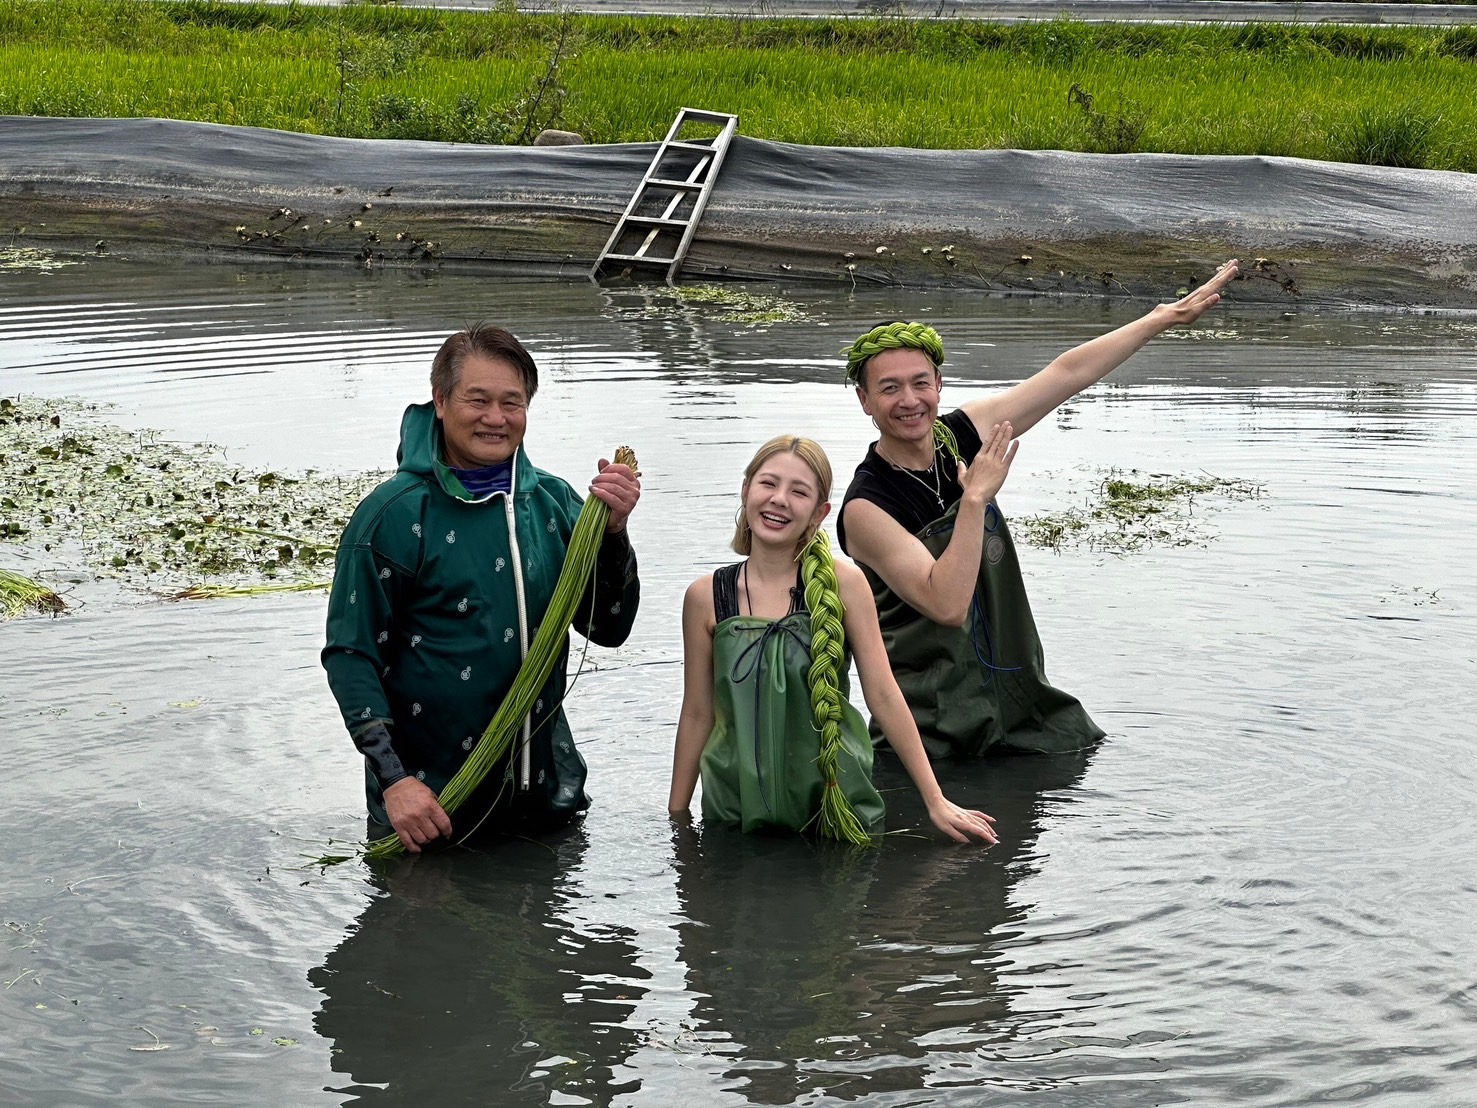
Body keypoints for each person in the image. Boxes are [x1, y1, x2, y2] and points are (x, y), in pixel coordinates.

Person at [837, 261, 1240, 760]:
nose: (910, 401)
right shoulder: (868, 506)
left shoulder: (964, 436)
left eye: (921, 383)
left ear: (939, 383)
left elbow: (1066, 374)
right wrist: (975, 500)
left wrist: (1160, 318)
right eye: (890, 388)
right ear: (864, 400)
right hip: (934, 727)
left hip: (1019, 701)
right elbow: (946, 604)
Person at [322, 324, 641, 853]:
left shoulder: (555, 504)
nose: (496, 418)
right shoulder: (393, 515)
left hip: (545, 803)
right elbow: (350, 654)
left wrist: (612, 536)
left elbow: (608, 628)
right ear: (441, 401)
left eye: (511, 403)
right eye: (478, 400)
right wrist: (395, 781)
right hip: (429, 812)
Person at [667, 434, 998, 844]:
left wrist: (935, 799)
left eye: (799, 492)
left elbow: (883, 693)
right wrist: (676, 821)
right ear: (746, 489)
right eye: (768, 483)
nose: (779, 500)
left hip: (833, 806)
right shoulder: (705, 597)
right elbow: (697, 714)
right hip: (735, 806)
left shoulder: (845, 584)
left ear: (819, 513)